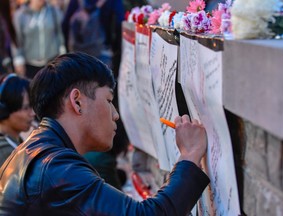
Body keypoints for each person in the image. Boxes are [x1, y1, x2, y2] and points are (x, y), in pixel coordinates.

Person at [0, 52, 209, 215]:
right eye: (109, 101)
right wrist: (189, 155)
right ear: (77, 101)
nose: (116, 115)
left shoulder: (35, 153)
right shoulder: (56, 168)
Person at [13, 0, 65, 79]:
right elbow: (17, 39)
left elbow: (60, 34)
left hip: (51, 64)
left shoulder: (54, 11)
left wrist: (63, 55)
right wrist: (18, 60)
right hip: (30, 65)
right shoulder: (20, 15)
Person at [0, 73, 35, 167]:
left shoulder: (15, 140)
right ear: (4, 110)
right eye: (26, 108)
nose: (32, 114)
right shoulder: (5, 152)